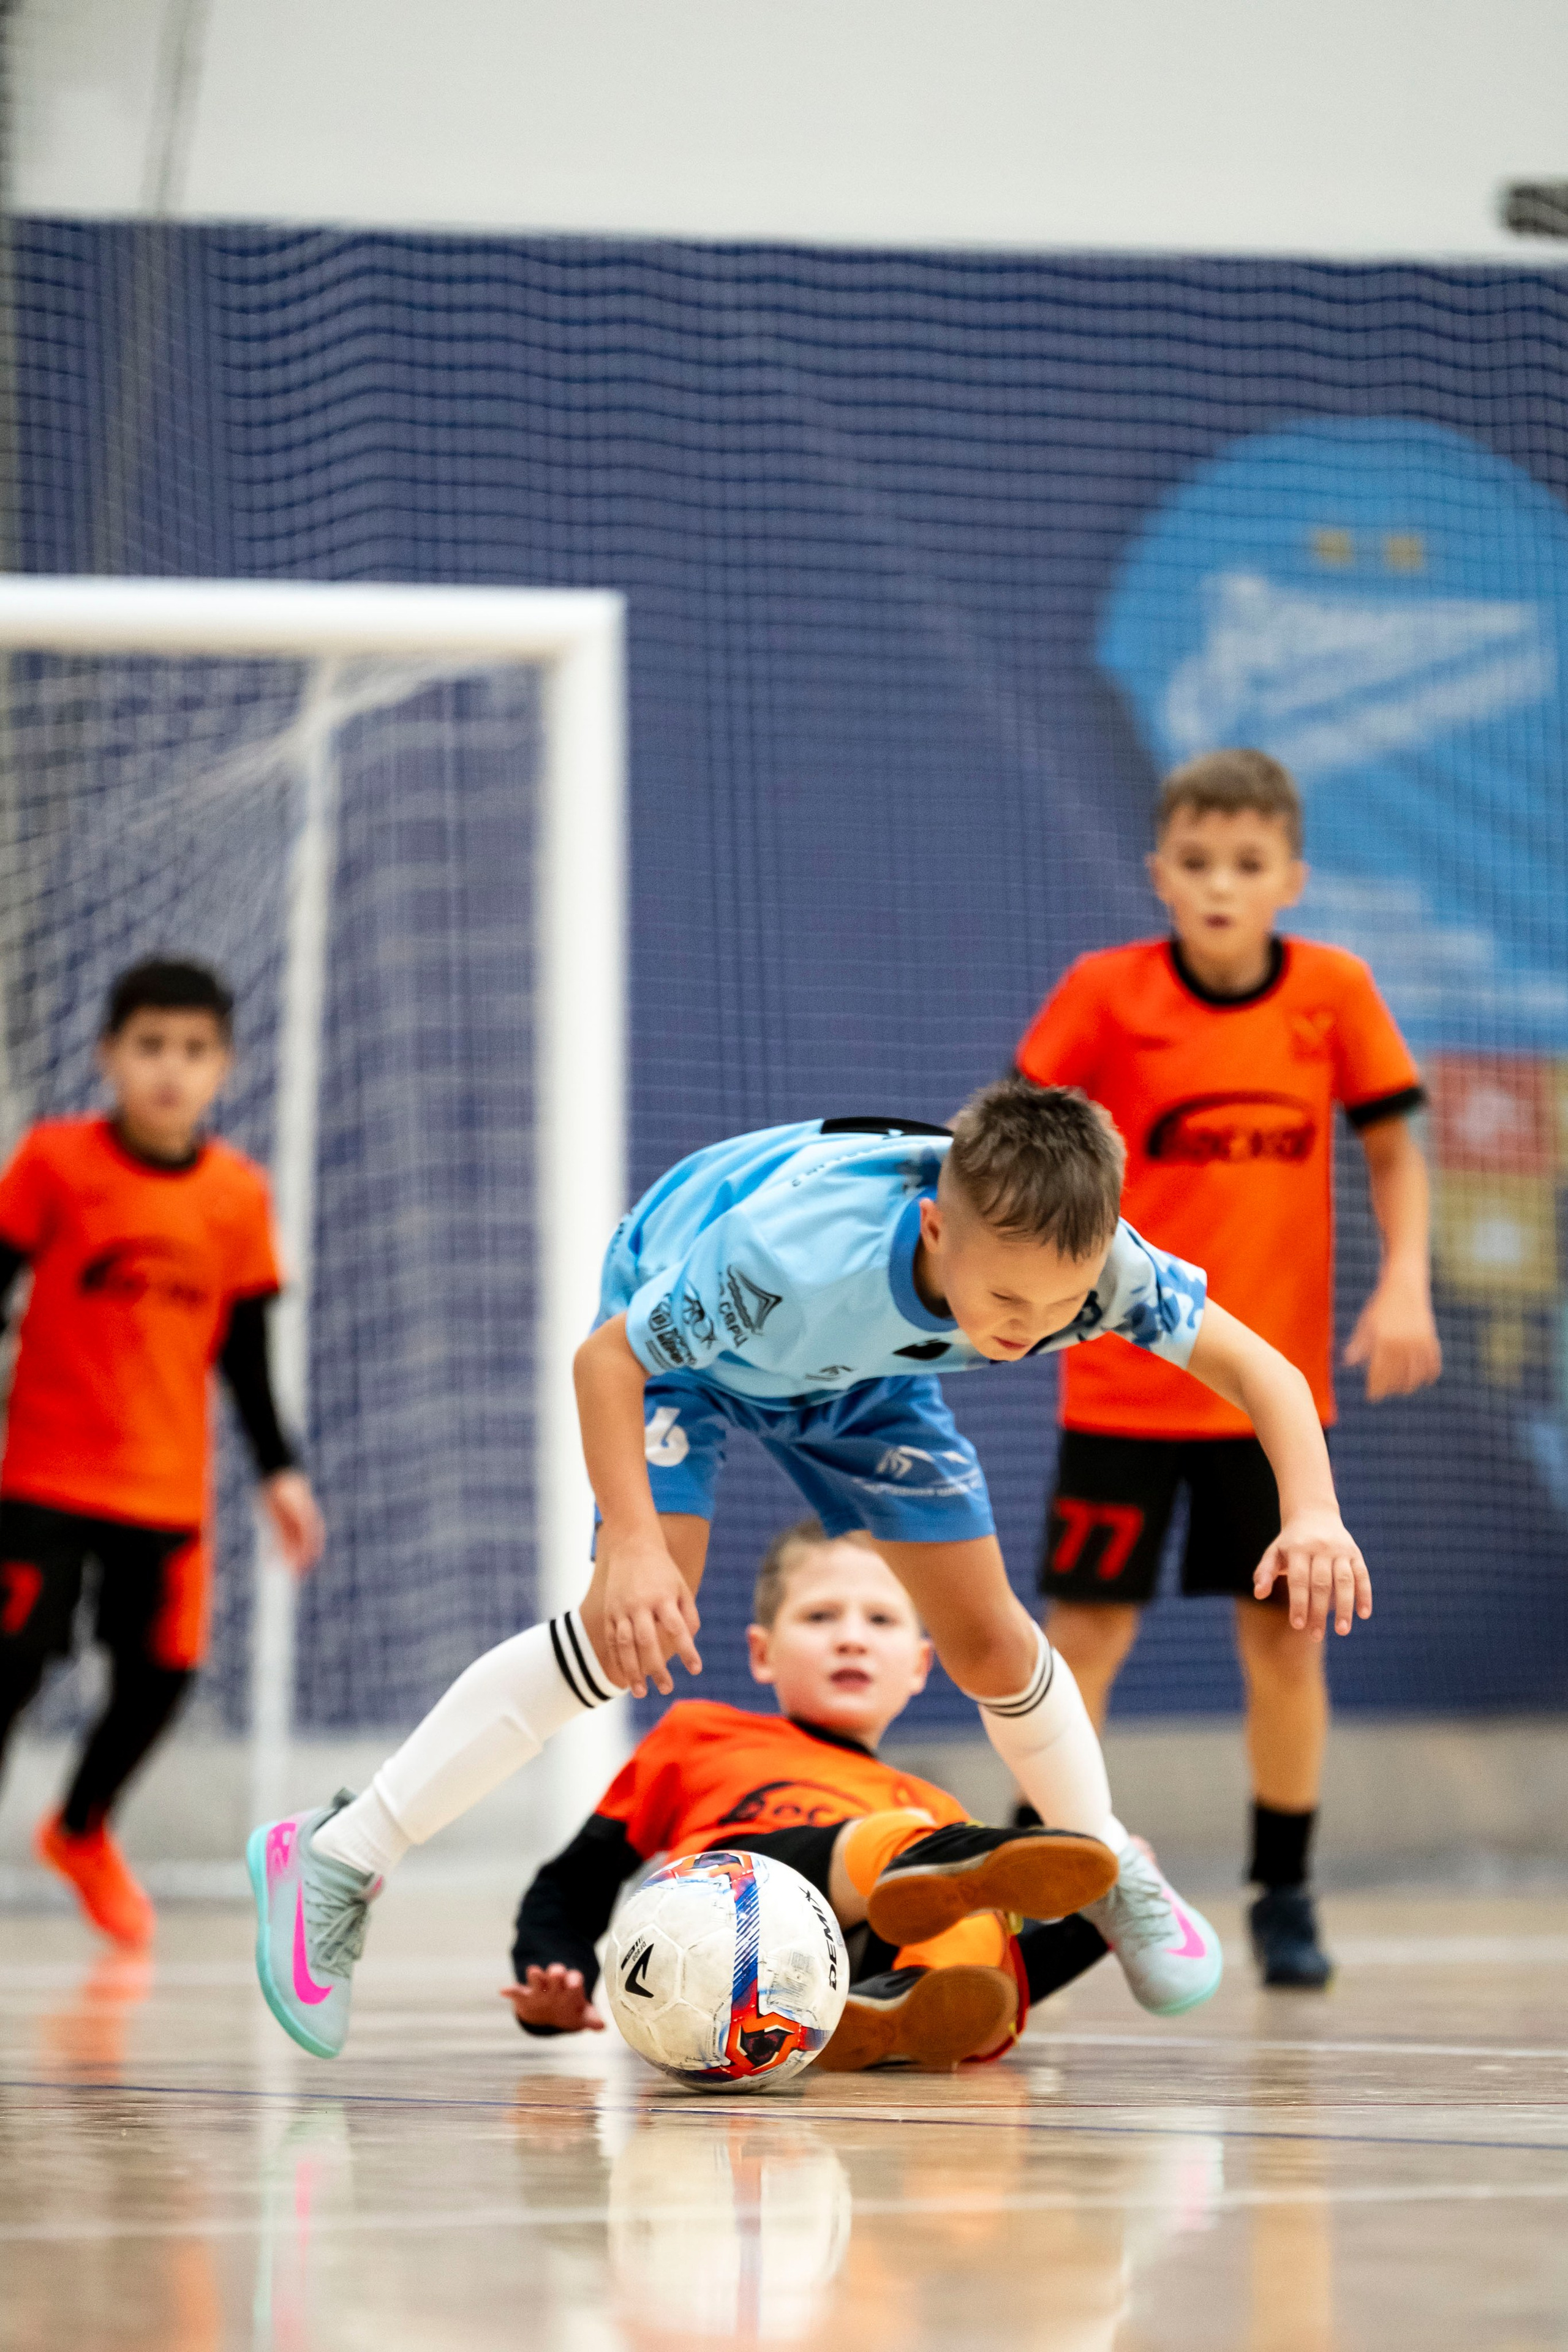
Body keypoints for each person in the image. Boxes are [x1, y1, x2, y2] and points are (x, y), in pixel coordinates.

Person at [252, 1079, 1373, 2059]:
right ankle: (338, 1855)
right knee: (622, 1632)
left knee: (988, 1643)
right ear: (935, 1230)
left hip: (862, 1374)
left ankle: (1107, 1858)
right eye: (1006, 1307)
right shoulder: (789, 1259)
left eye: (1058, 1311)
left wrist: (1312, 1512)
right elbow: (610, 1360)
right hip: (704, 1350)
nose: (1029, 1335)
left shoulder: (1090, 1269)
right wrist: (635, 1544)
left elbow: (1262, 1369)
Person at [1014, 748, 1439, 1988]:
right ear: (1157, 873)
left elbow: (1396, 1147)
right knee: (1075, 1639)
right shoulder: (1103, 993)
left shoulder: (1331, 991)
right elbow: (1015, 1136)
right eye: (1194, 863)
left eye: (1244, 865)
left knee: (1284, 1649)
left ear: (1287, 880)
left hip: (1268, 1405)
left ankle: (1283, 1890)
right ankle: (1030, 1877)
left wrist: (1403, 1275)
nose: (1217, 886)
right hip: (1120, 1390)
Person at [505, 1518, 1120, 2071]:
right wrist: (556, 1973)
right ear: (762, 1653)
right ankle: (903, 1943)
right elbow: (572, 1882)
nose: (851, 1638)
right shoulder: (699, 1736)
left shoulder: (934, 1805)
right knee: (916, 1845)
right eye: (820, 1616)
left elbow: (1006, 1976)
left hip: (849, 1972)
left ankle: (903, 2011)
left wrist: (1099, 1917)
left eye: (880, 1620)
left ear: (920, 1665)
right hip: (719, 1927)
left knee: (973, 1912)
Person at [0, 958, 323, 1947]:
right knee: (10, 1668)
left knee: (163, 1676)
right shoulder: (54, 1164)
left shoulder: (236, 1196)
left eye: (192, 1051)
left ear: (223, 1066)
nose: (169, 1071)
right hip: (45, 1478)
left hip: (164, 1489)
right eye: (149, 1048)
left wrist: (281, 1472)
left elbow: (247, 1353)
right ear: (109, 1056)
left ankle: (82, 1828)